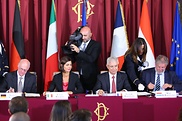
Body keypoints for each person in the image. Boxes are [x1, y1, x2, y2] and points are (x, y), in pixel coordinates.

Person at [67, 26, 101, 92]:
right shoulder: (78, 44)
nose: (83, 38)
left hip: (91, 77)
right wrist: (68, 49)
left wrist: (79, 51)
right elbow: (73, 59)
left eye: (85, 35)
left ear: (90, 35)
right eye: (81, 35)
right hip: (79, 76)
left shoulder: (96, 45)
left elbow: (91, 59)